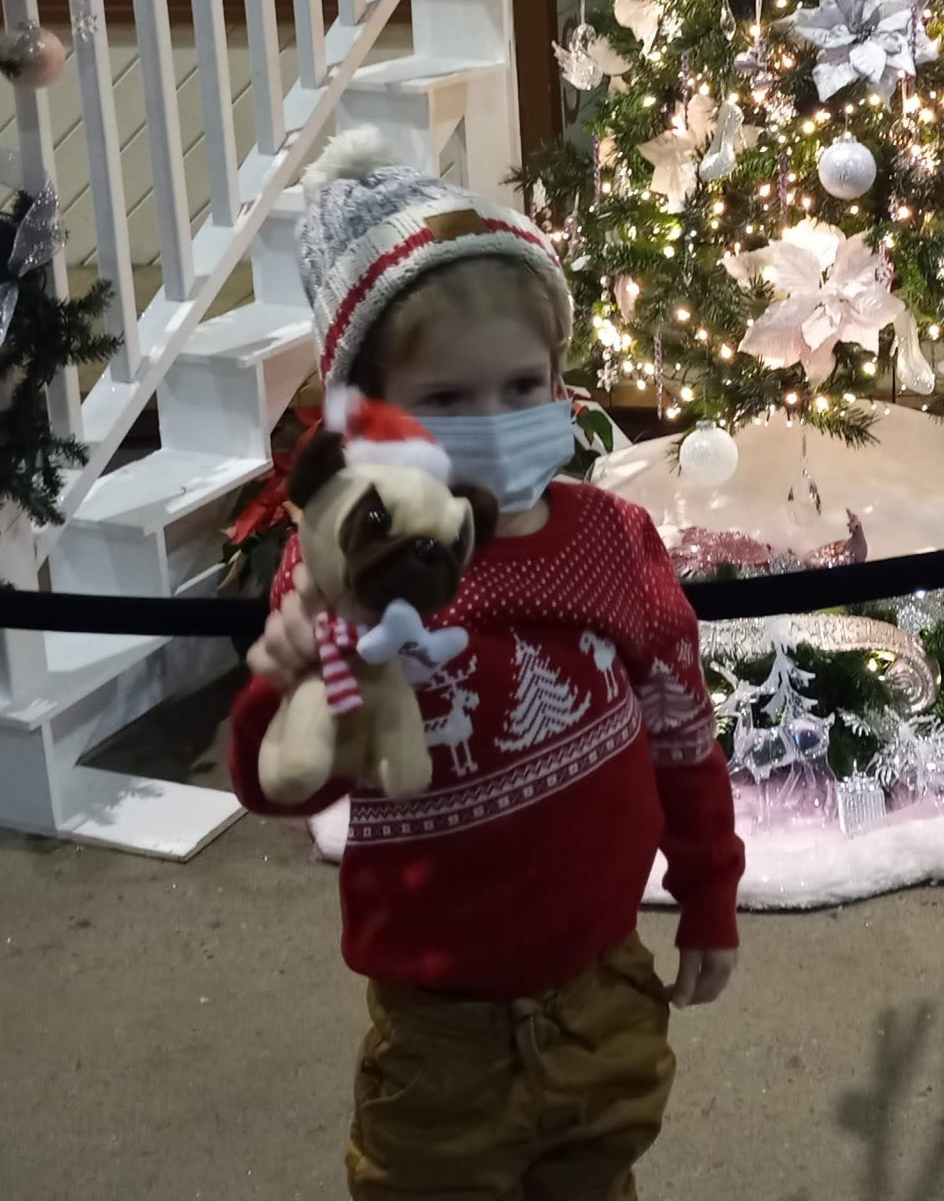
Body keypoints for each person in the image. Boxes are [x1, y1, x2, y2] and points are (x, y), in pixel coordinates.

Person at [227, 132, 745, 1200]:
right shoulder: (353, 565)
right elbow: (296, 775)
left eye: (525, 384)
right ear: (365, 417)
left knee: (601, 1170)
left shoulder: (611, 539)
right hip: (440, 1028)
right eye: (450, 400)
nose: (499, 421)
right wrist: (288, 673)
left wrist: (708, 892)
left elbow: (682, 730)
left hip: (604, 981)